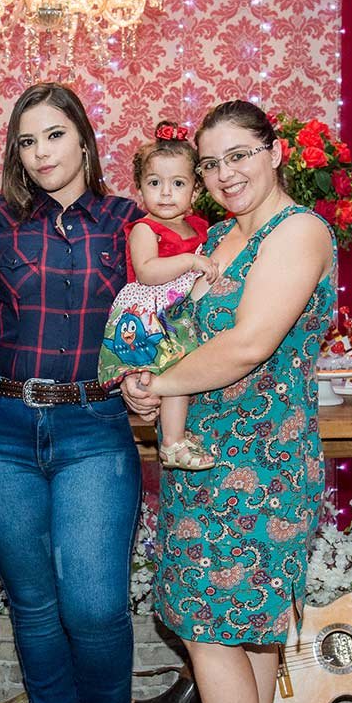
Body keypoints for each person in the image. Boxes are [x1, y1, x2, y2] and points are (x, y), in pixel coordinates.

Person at [121, 100, 335, 703]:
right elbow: (179, 332)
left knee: (213, 626)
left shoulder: (299, 232)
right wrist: (144, 379)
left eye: (239, 155)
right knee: (242, 625)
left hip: (264, 462)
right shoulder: (215, 239)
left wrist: (162, 381)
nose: (223, 174)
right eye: (210, 163)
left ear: (275, 152)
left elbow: (249, 345)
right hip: (199, 457)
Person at [0, 82, 145, 703]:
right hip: (4, 430)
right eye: (26, 141)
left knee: (95, 607)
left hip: (94, 427)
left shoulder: (128, 221)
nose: (41, 153)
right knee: (36, 606)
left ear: (85, 141)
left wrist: (155, 379)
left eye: (54, 135)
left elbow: (169, 309)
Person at [96, 121, 218, 471]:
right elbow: (147, 271)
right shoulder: (145, 229)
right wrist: (190, 261)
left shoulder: (200, 227)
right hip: (153, 315)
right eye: (154, 183)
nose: (165, 193)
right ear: (139, 187)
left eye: (177, 183)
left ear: (195, 189)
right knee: (175, 371)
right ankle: (171, 443)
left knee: (187, 372)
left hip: (181, 311)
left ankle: (178, 435)